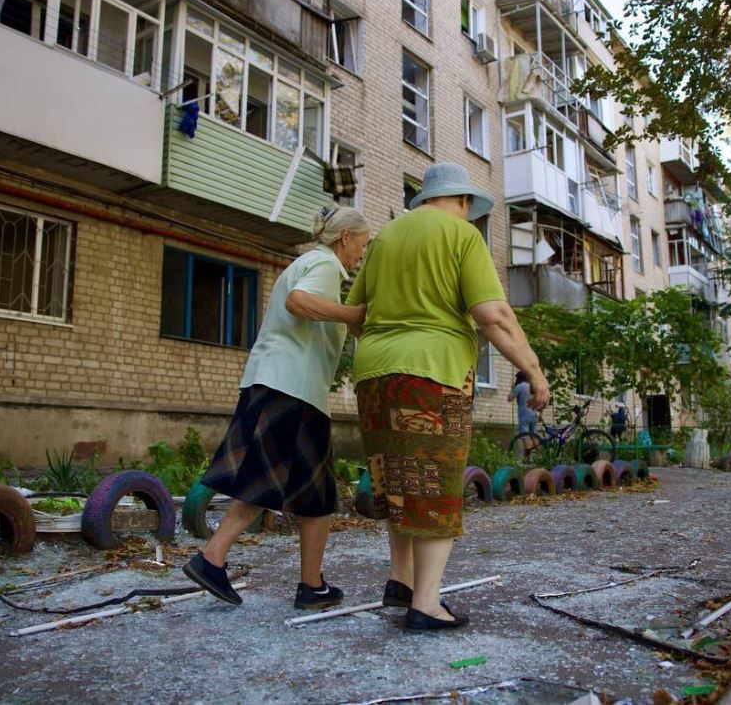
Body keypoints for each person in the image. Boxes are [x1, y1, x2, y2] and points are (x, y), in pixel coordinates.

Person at [348, 162, 549, 632]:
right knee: (435, 487)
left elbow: (357, 311)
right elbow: (492, 314)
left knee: (396, 480)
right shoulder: (462, 236)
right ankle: (426, 604)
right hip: (432, 375)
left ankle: (400, 582)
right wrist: (533, 370)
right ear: (462, 202)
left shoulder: (385, 238)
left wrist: (387, 337)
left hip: (374, 373)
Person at [182, 206, 370, 610]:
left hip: (292, 387)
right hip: (290, 388)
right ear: (345, 238)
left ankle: (311, 584)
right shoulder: (324, 264)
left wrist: (349, 324)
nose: (362, 253)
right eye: (362, 244)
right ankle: (211, 557)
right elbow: (300, 303)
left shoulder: (309, 263)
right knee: (264, 478)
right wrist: (355, 314)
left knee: (316, 494)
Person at [507, 371, 540, 461]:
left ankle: (527, 458)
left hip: (524, 414)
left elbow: (509, 399)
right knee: (534, 435)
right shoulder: (533, 386)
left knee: (525, 436)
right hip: (535, 414)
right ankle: (541, 455)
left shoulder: (519, 387)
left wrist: (512, 388)